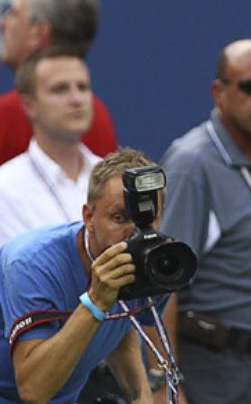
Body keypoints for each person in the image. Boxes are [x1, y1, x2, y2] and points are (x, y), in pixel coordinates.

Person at [159, 39, 251, 403]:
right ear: (218, 93)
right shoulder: (193, 165)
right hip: (211, 367)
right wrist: (168, 391)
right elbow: (161, 288)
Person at [0, 148, 163, 404]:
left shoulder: (151, 260)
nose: (133, 236)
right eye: (119, 218)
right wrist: (96, 300)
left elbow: (122, 321)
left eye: (147, 219)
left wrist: (140, 396)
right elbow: (33, 391)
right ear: (89, 217)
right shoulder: (32, 264)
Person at [0, 0, 117, 165]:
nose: (3, 24)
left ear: (39, 33)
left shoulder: (8, 115)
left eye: (13, 13)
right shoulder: (99, 115)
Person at [0, 53, 101, 243]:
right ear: (29, 105)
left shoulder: (113, 178)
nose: (77, 99)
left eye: (83, 87)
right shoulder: (5, 189)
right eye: (60, 89)